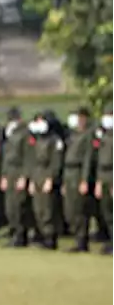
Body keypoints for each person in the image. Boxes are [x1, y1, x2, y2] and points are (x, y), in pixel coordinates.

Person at [61, 108, 98, 252]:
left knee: (79, 209)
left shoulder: (88, 135)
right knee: (69, 209)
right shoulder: (72, 135)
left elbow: (88, 159)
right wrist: (64, 180)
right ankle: (76, 237)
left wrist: (84, 179)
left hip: (78, 172)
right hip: (69, 172)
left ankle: (82, 240)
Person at [28, 112, 64, 250]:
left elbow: (56, 161)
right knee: (38, 208)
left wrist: (51, 178)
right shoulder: (37, 139)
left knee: (48, 207)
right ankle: (42, 235)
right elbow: (32, 160)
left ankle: (50, 238)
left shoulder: (54, 140)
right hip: (37, 174)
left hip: (47, 173)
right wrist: (32, 179)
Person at [0, 107, 34, 247]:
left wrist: (24, 176)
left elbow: (28, 156)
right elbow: (6, 157)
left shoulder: (25, 134)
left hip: (19, 170)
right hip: (10, 172)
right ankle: (13, 232)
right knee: (10, 206)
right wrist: (3, 175)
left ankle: (21, 235)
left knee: (19, 205)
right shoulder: (10, 134)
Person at [95, 110, 114, 254]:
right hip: (104, 175)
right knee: (107, 212)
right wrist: (99, 182)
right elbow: (100, 162)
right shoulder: (104, 137)